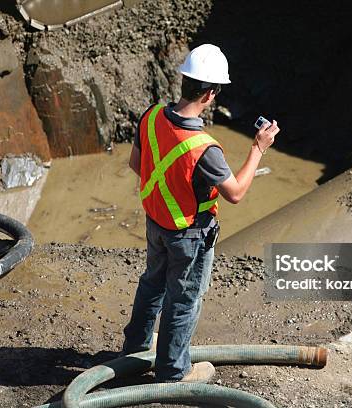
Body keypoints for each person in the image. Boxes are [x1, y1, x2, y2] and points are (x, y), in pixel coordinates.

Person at [121, 44, 280, 383]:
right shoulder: (204, 148)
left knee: (152, 284)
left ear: (183, 82)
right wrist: (257, 148)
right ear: (210, 94)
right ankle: (173, 371)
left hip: (155, 223)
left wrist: (169, 193)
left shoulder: (151, 116)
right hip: (189, 235)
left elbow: (137, 164)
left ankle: (134, 352)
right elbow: (235, 193)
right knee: (184, 299)